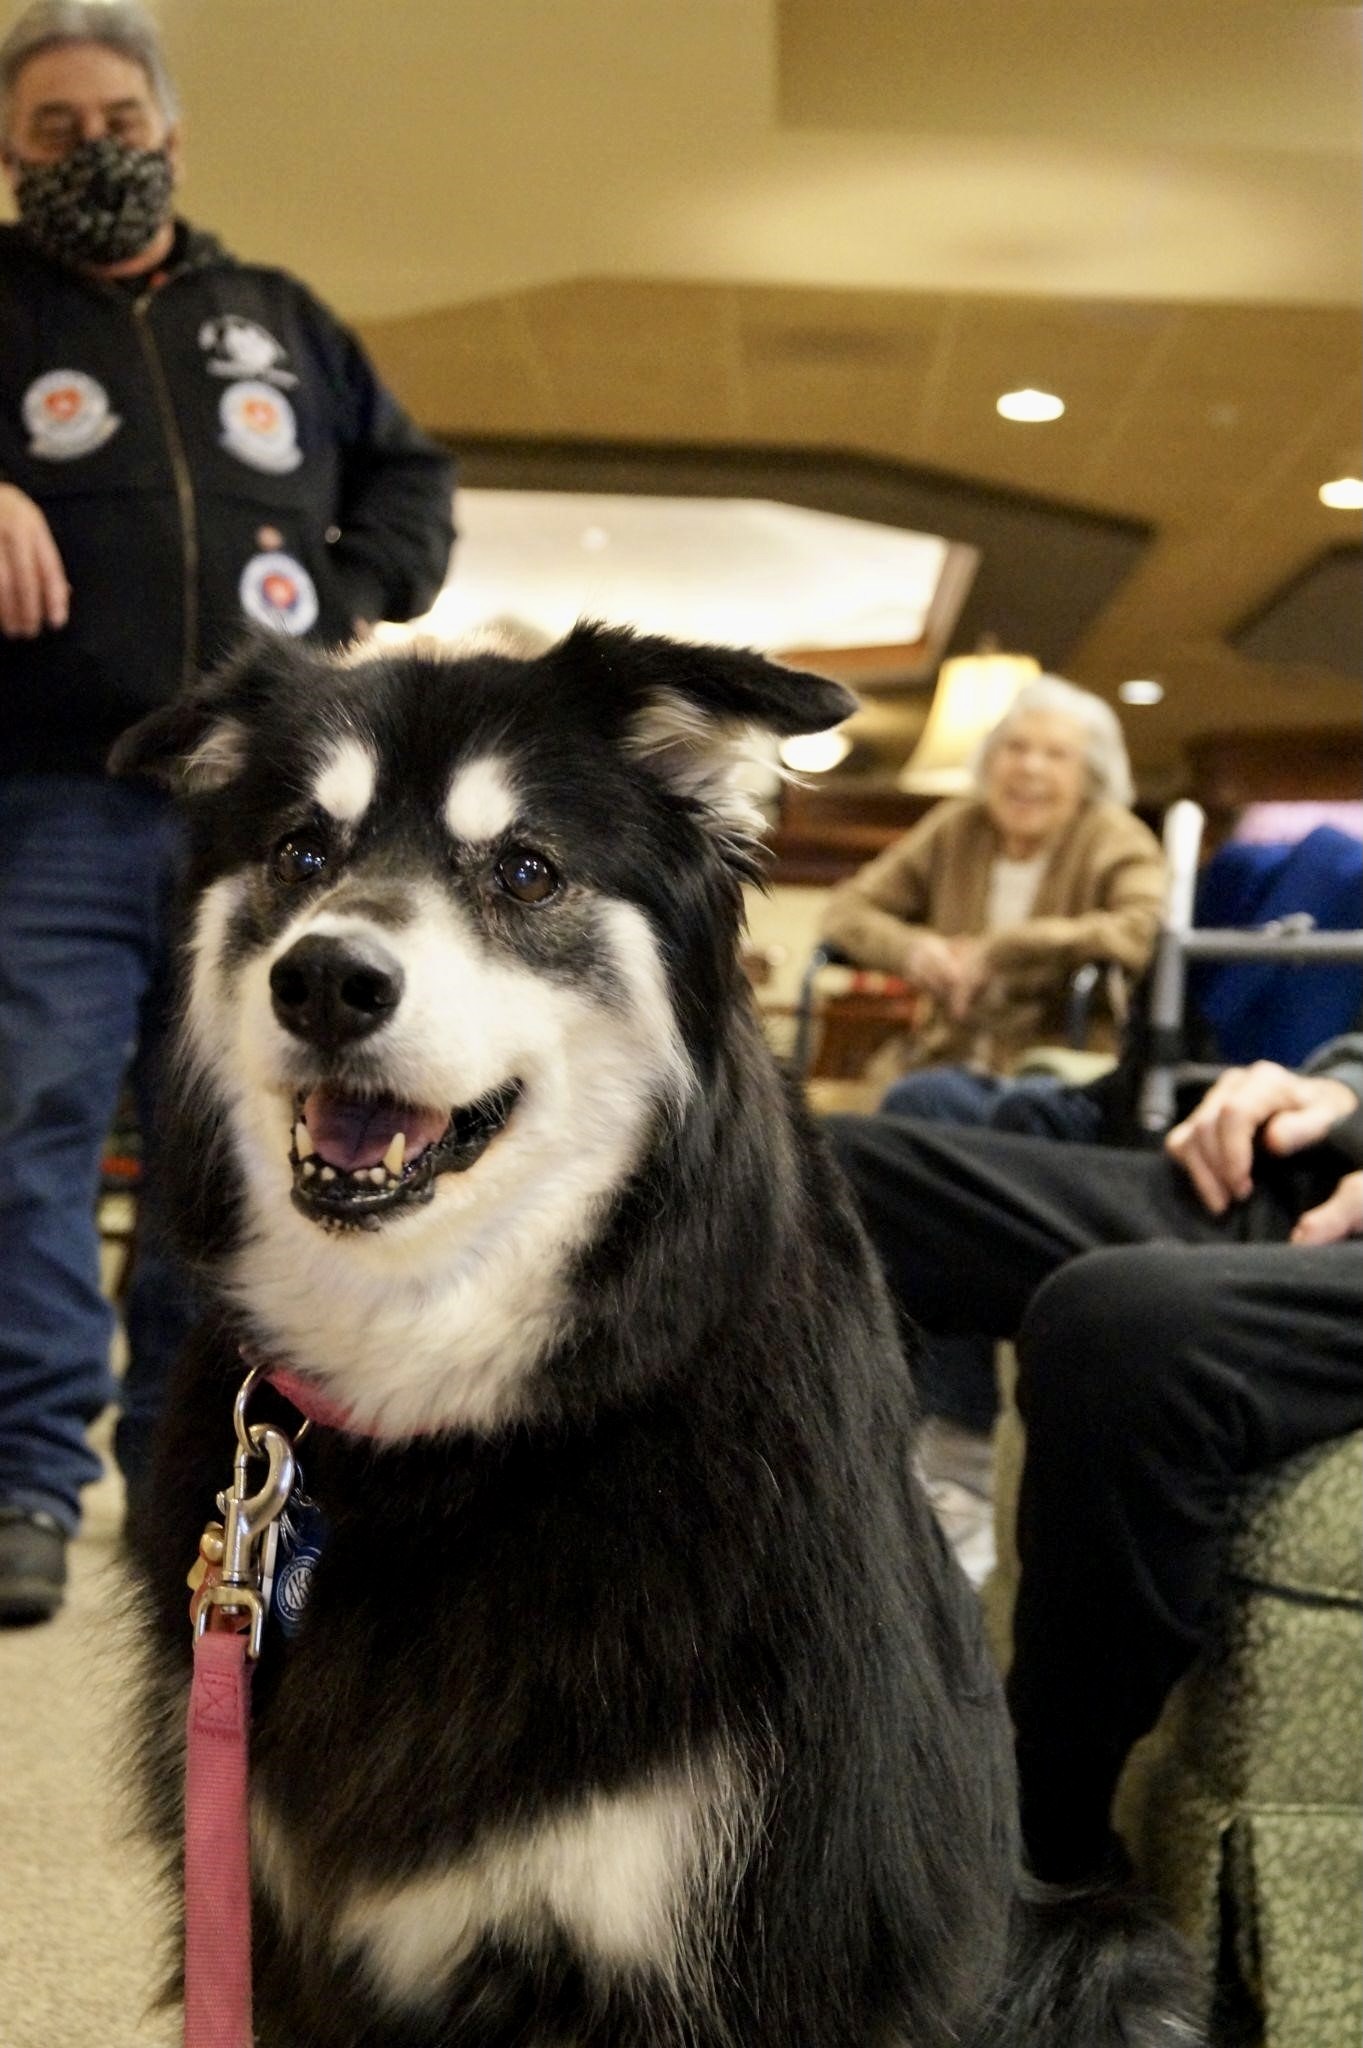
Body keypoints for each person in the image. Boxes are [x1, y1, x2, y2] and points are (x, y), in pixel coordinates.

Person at [0, 0, 456, 1622]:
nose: (92, 147)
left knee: (230, 1141)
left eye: (117, 116)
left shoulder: (278, 315)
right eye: (53, 126)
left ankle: (181, 1466)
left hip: (257, 829)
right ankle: (29, 1472)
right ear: (10, 150)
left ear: (171, 133)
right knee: (30, 1124)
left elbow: (412, 480)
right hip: (50, 797)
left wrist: (346, 598)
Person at [825, 1037, 1363, 1886]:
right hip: (1326, 1174)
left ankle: (1044, 1870)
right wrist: (1335, 1087)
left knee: (1119, 1324)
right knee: (821, 1180)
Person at [820, 674, 1165, 1121]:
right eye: (1016, 748)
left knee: (937, 1108)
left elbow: (1148, 928)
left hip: (1058, 1072)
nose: (1030, 768)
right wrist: (915, 950)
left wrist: (1006, 950)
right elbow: (846, 909)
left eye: (1056, 755)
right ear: (990, 759)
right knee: (877, 1115)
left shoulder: (1113, 836)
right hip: (942, 1060)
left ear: (1088, 776)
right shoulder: (957, 827)